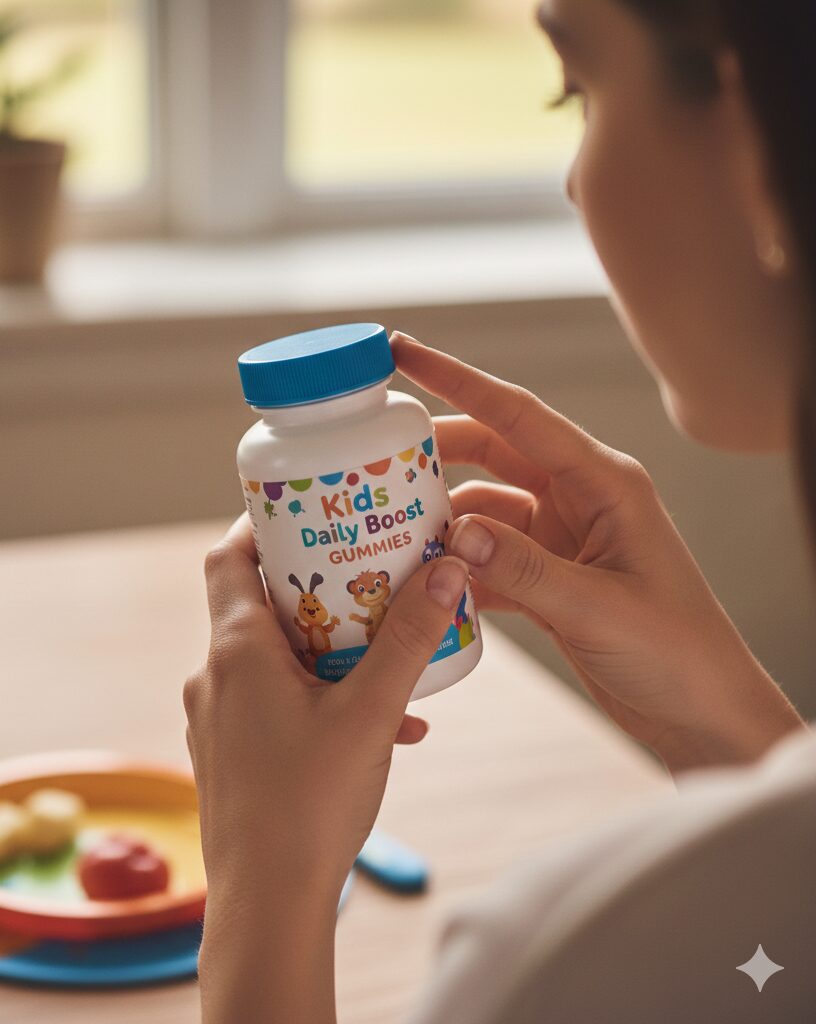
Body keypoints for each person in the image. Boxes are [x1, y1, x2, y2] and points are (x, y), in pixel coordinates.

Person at [182, 1, 816, 1020]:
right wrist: (725, 725)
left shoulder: (576, 961)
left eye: (579, 86)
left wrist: (264, 892)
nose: (572, 182)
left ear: (745, 135)